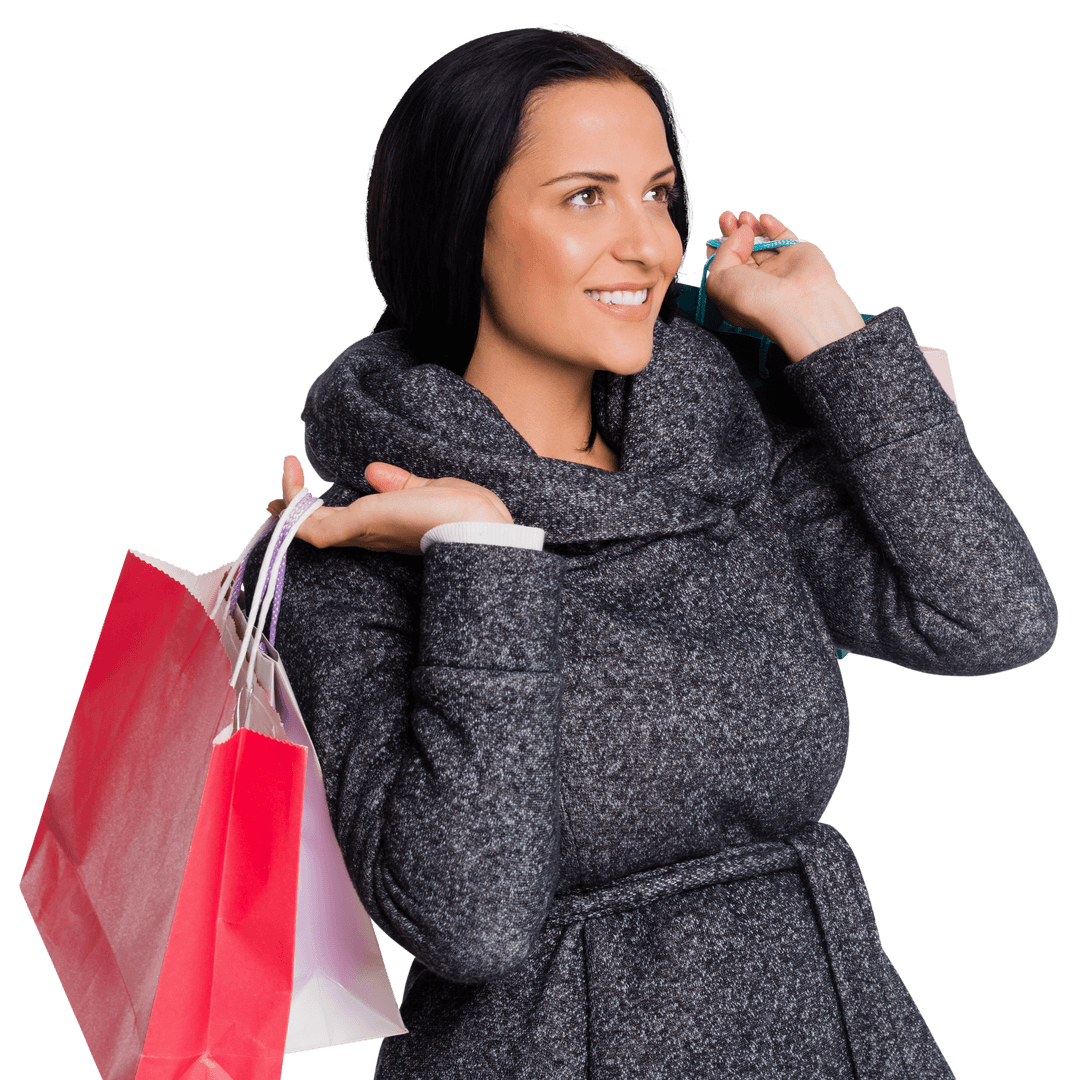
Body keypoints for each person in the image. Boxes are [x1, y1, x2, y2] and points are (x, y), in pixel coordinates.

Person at [246, 26, 1057, 1079]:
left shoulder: (724, 449)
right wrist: (482, 550)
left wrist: (833, 341)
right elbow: (471, 922)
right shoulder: (359, 547)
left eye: (660, 192)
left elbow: (992, 617)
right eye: (586, 196)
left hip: (835, 1035)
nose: (649, 244)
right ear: (459, 224)